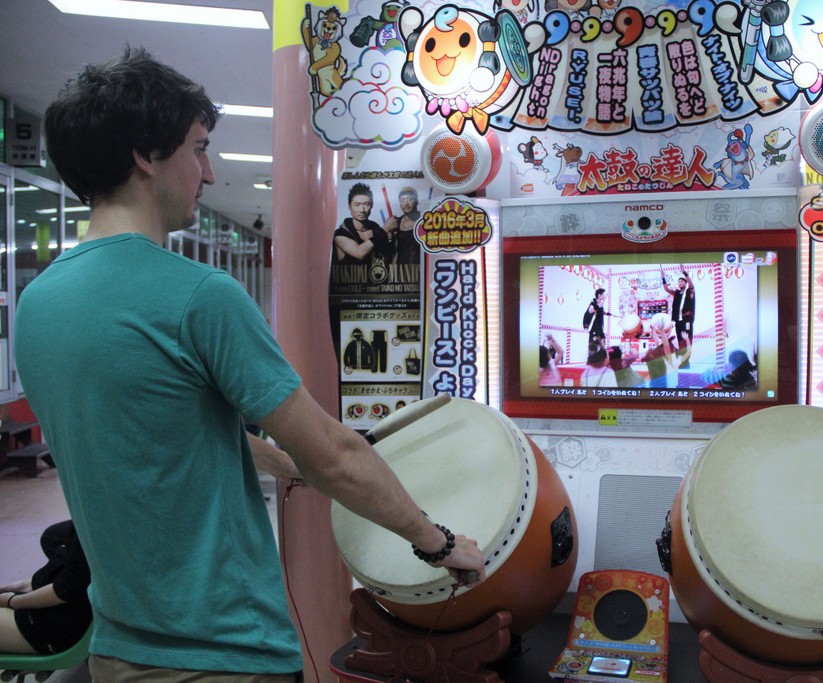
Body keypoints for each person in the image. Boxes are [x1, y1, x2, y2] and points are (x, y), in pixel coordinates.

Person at [16, 47, 485, 682]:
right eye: (198, 147)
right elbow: (336, 455)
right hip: (221, 654)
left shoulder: (38, 304)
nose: (207, 173)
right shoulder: (199, 296)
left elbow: (146, 432)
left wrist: (270, 456)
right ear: (145, 157)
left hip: (119, 649)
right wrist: (439, 542)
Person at [0, 520, 91, 656]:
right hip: (80, 611)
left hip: (63, 625)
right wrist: (29, 585)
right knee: (51, 537)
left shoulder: (94, 521)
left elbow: (66, 589)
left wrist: (12, 601)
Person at [332, 182, 396, 267]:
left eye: (366, 204)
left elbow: (388, 258)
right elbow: (359, 253)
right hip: (350, 279)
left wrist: (391, 238)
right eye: (357, 205)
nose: (362, 210)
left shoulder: (376, 230)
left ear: (372, 206)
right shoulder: (340, 234)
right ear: (349, 207)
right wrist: (384, 230)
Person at [382, 186, 422, 265]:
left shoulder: (425, 220)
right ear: (399, 203)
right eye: (402, 200)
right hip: (399, 270)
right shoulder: (395, 223)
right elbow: (388, 252)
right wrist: (387, 237)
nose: (406, 203)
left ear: (416, 201)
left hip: (421, 268)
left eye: (410, 199)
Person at [662, 268, 695, 347]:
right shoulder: (677, 293)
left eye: (682, 281)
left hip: (687, 319)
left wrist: (684, 272)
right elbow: (666, 289)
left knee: (687, 337)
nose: (680, 283)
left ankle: (688, 355)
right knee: (680, 339)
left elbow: (691, 284)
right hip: (678, 321)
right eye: (679, 281)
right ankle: (682, 355)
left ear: (685, 283)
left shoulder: (689, 291)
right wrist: (663, 278)